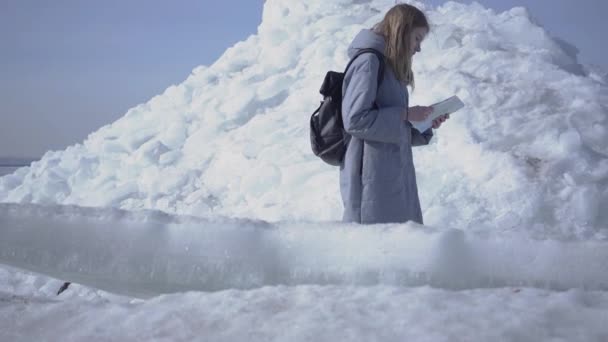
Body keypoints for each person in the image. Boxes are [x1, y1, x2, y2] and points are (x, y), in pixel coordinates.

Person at [340, 3, 449, 224]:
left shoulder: (388, 67)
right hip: (371, 177)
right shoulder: (369, 62)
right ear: (401, 30)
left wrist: (425, 123)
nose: (418, 48)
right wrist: (406, 114)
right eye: (417, 38)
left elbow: (392, 125)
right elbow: (355, 120)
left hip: (390, 175)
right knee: (377, 248)